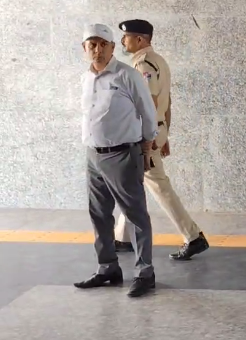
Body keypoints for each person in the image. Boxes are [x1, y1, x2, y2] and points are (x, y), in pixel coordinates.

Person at [113, 19, 210, 260]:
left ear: (140, 40)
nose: (123, 41)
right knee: (131, 182)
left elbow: (150, 102)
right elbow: (168, 101)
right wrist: (164, 133)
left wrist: (149, 138)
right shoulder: (159, 61)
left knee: (157, 186)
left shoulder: (143, 64)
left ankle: (193, 236)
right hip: (155, 130)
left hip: (144, 135)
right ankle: (122, 238)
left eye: (126, 37)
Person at [73, 24, 158, 298]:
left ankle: (145, 272)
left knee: (135, 215)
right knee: (99, 214)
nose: (97, 50)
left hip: (122, 154)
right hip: (93, 155)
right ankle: (107, 267)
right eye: (92, 45)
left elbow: (148, 112)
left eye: (103, 44)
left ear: (112, 47)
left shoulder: (127, 75)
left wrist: (146, 149)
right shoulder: (86, 78)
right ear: (84, 48)